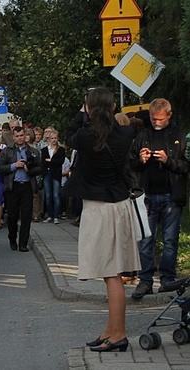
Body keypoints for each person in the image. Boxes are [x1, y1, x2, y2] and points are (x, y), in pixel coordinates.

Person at [64, 86, 140, 352]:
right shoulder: (126, 133)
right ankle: (110, 330)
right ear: (113, 107)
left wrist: (82, 111)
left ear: (90, 108)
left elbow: (70, 136)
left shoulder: (85, 136)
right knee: (112, 273)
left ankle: (118, 334)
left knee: (110, 274)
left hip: (98, 208)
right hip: (119, 206)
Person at [129, 98, 188, 299]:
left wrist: (168, 160)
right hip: (147, 194)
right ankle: (145, 280)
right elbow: (131, 164)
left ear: (169, 116)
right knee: (146, 238)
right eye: (153, 119)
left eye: (160, 119)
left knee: (170, 240)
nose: (156, 122)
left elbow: (185, 165)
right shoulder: (143, 136)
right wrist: (141, 160)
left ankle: (167, 279)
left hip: (171, 194)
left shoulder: (179, 136)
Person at [0, 126, 42, 252]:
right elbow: (0, 168)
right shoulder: (7, 151)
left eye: (21, 135)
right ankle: (12, 237)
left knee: (26, 216)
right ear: (13, 137)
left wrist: (30, 170)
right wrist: (14, 165)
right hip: (12, 186)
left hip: (27, 185)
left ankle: (23, 243)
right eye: (17, 136)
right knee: (12, 215)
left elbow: (40, 168)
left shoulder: (33, 151)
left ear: (25, 135)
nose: (20, 138)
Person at [41, 129, 66, 224]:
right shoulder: (44, 150)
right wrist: (51, 162)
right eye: (52, 138)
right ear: (49, 139)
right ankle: (50, 215)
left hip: (56, 174)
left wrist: (50, 161)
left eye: (55, 138)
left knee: (56, 195)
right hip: (47, 174)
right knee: (48, 196)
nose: (54, 140)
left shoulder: (61, 150)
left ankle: (56, 215)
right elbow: (43, 162)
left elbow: (61, 161)